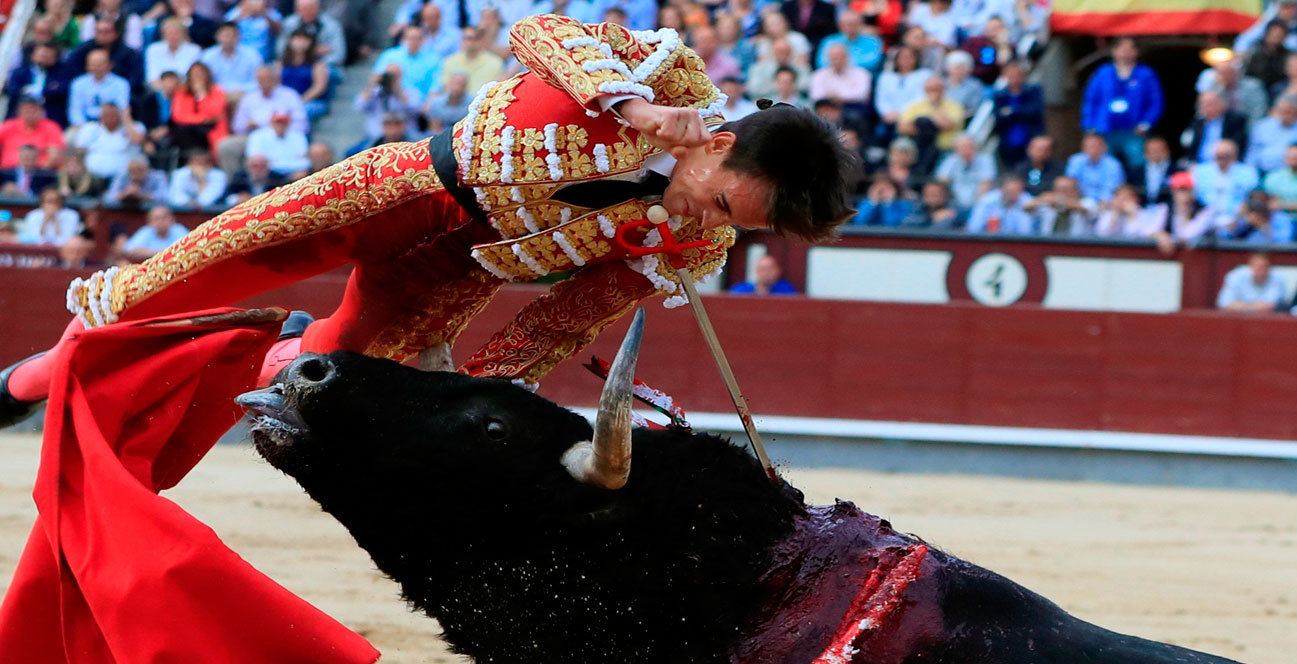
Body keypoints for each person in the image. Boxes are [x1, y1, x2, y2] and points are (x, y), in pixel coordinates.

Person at [0, 15, 858, 429]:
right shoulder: (666, 79)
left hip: (457, 274)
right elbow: (539, 32)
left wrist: (485, 399)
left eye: (738, 229)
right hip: (399, 190)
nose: (712, 227)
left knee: (309, 379)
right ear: (714, 146)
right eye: (720, 203)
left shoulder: (694, 243)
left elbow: (565, 313)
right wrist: (631, 109)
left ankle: (244, 353)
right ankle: (26, 381)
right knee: (173, 277)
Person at [1079, 36, 1163, 171]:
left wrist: (1146, 123)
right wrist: (1089, 124)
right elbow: (1091, 100)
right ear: (1114, 51)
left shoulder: (1145, 74)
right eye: (1122, 48)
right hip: (1105, 129)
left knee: (1137, 161)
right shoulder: (1103, 73)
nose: (1126, 52)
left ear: (1136, 52)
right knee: (1104, 162)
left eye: (1130, 49)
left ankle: (1135, 189)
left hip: (1133, 130)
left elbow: (1155, 102)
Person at [1192, 139, 1259, 229]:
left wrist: (1238, 216)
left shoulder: (1248, 172)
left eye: (1226, 156)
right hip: (1204, 217)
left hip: (1238, 218)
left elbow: (1253, 198)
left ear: (1235, 156)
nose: (1222, 160)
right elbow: (1193, 197)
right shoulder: (1199, 171)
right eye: (1219, 156)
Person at [74, 102, 148, 181]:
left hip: (124, 179)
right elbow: (79, 151)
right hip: (93, 178)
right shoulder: (91, 128)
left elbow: (138, 140)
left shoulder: (134, 127)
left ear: (119, 115)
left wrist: (126, 120)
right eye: (105, 115)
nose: (108, 118)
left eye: (112, 115)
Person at [169, 61, 229, 157]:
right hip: (189, 129)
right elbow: (177, 115)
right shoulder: (182, 92)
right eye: (194, 74)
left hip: (212, 129)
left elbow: (215, 112)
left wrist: (202, 94)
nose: (198, 77)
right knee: (182, 131)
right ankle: (192, 160)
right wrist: (202, 119)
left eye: (200, 73)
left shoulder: (217, 91)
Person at [991, 60, 1042, 167]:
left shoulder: (1033, 90)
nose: (1014, 78)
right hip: (1008, 142)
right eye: (1011, 75)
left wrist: (1011, 112)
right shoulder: (1000, 95)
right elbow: (998, 117)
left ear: (1023, 75)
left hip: (1030, 138)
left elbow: (1035, 111)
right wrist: (1020, 112)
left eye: (1017, 75)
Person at [66, 48, 132, 128]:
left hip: (113, 125)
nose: (97, 68)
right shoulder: (78, 83)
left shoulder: (121, 83)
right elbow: (75, 111)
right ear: (87, 66)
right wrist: (83, 127)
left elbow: (123, 109)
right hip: (85, 125)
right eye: (93, 64)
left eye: (100, 64)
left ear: (110, 65)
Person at [1181, 90, 1248, 167]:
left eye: (1211, 103)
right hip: (1199, 165)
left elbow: (1238, 145)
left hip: (1226, 165)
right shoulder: (1196, 122)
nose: (1207, 107)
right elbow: (1188, 144)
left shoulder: (1235, 120)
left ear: (1222, 104)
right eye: (1203, 104)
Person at [277, 29, 332, 122]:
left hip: (311, 101)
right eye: (297, 39)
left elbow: (319, 87)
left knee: (302, 112)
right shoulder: (281, 64)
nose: (300, 43)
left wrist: (301, 100)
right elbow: (277, 84)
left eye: (304, 40)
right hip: (287, 101)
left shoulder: (318, 65)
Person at [200, 21, 263, 101]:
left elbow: (259, 81)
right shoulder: (207, 56)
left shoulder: (252, 55)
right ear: (217, 36)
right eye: (226, 35)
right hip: (216, 96)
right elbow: (203, 81)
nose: (229, 39)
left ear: (239, 36)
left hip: (246, 96)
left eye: (233, 36)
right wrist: (221, 93)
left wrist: (243, 91)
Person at [1153, 172, 1214, 253]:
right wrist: (1161, 235)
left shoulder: (1205, 211)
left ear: (1192, 191)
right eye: (1177, 190)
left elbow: (1187, 235)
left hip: (1200, 257)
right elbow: (1147, 230)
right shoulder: (1166, 208)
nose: (1181, 194)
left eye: (1184, 190)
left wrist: (1184, 214)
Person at [276, 0, 346, 69]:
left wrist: (316, 64)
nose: (307, 12)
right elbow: (280, 51)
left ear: (318, 8)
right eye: (304, 9)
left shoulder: (331, 25)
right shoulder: (289, 24)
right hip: (293, 64)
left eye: (311, 8)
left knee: (319, 71)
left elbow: (339, 55)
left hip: (325, 66)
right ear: (297, 10)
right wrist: (312, 51)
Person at [933, 134, 995, 210]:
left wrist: (978, 208)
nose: (966, 150)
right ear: (956, 149)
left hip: (977, 204)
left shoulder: (986, 160)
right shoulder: (950, 160)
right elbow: (942, 182)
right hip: (953, 204)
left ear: (975, 147)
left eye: (969, 146)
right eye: (962, 147)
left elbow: (985, 184)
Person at [0, 97, 65, 168]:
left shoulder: (51, 128)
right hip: (8, 172)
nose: (30, 114)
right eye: (27, 110)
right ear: (19, 112)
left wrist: (37, 172)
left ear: (41, 111)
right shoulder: (8, 127)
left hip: (39, 173)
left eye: (34, 110)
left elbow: (55, 155)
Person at [1216, 251, 1289, 311]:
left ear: (1269, 267)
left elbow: (1271, 305)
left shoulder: (1278, 277)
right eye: (1258, 267)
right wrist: (1251, 307)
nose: (1261, 271)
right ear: (1250, 265)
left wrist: (1242, 306)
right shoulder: (1235, 276)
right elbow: (1223, 303)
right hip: (1237, 322)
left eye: (1264, 267)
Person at [1024, 175, 1095, 236]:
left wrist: (1062, 202)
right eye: (1058, 190)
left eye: (1065, 190)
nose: (1061, 193)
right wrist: (1041, 199)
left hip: (1077, 247)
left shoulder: (1086, 202)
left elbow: (1087, 210)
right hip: (1048, 245)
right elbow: (1026, 207)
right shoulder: (1047, 203)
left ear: (1075, 190)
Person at [441, 26, 505, 95]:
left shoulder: (495, 63)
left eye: (471, 38)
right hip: (456, 103)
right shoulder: (450, 61)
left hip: (483, 103)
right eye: (464, 38)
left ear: (480, 40)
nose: (467, 42)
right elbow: (445, 88)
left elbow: (497, 90)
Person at [1244, 94, 1297, 172]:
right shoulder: (1262, 126)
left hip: (1292, 174)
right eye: (1282, 111)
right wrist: (1249, 171)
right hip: (1262, 172)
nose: (1286, 115)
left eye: (1289, 111)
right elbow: (1252, 152)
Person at [1064, 133, 1125, 203]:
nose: (1093, 150)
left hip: (1106, 202)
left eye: (1097, 146)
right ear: (1083, 148)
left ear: (1104, 148)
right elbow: (1070, 182)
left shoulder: (1113, 164)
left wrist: (1102, 202)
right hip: (1079, 199)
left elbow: (1113, 188)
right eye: (1090, 146)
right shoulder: (1076, 160)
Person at [115, 204, 189, 262]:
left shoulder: (178, 230)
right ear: (150, 222)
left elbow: (190, 248)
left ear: (172, 219)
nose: (160, 222)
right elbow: (129, 250)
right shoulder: (146, 232)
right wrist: (164, 253)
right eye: (156, 219)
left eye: (164, 218)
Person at [245, 111, 309, 177]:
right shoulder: (258, 135)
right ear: (271, 123)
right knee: (258, 164)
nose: (280, 125)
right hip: (269, 173)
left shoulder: (298, 135)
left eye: (284, 122)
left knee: (301, 175)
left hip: (294, 173)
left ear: (289, 123)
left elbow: (303, 159)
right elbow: (254, 157)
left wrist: (274, 163)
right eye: (278, 122)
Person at [816, 9, 883, 72]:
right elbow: (822, 62)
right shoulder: (829, 41)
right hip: (833, 76)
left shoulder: (873, 41)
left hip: (862, 77)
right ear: (840, 25)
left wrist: (842, 64)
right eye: (847, 24)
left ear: (861, 24)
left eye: (854, 24)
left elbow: (873, 62)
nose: (850, 27)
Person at [1093, 184, 1167, 239]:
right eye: (1118, 198)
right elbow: (1100, 236)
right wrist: (1114, 217)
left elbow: (1141, 236)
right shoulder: (1108, 215)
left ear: (1135, 200)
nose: (1121, 202)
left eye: (1125, 198)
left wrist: (1132, 216)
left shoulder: (1144, 214)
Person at [966, 175, 1034, 234]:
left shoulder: (1027, 202)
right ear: (1001, 189)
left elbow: (1025, 231)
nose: (1013, 194)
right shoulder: (988, 200)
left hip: (1017, 244)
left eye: (1017, 191)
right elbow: (973, 228)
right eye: (1010, 191)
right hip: (990, 242)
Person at [144, 17, 201, 86]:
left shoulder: (194, 50)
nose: (172, 36)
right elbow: (152, 78)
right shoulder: (153, 49)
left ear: (183, 33)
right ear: (163, 34)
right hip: (159, 90)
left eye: (176, 33)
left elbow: (191, 78)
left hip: (185, 90)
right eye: (169, 33)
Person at [104, 154, 170, 208]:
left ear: (148, 168)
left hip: (150, 211)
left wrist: (142, 195)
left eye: (139, 170)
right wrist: (124, 194)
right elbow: (108, 199)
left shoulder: (159, 176)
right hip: (126, 211)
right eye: (131, 171)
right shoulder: (122, 176)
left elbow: (165, 197)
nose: (135, 174)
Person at [1132, 135, 1173, 206]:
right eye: (1152, 150)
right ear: (1145, 153)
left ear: (1167, 151)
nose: (1156, 153)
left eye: (1159, 149)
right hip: (1141, 211)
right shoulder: (1135, 172)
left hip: (1169, 210)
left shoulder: (1177, 171)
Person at [729, 254, 798, 294]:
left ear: (778, 271)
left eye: (770, 268)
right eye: (763, 269)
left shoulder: (786, 289)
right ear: (757, 271)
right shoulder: (741, 290)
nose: (766, 273)